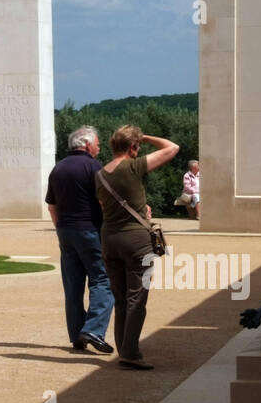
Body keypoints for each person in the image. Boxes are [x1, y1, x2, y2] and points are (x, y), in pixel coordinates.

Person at [94, 125, 179, 369]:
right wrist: (147, 137)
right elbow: (172, 147)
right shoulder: (134, 166)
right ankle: (131, 353)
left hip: (109, 238)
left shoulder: (100, 174)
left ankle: (124, 350)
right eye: (137, 145)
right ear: (133, 147)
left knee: (120, 299)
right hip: (135, 240)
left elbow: (104, 206)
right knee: (136, 299)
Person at [45, 126, 114, 354]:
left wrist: (60, 228)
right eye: (97, 143)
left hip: (65, 231)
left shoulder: (58, 168)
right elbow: (104, 202)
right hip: (90, 230)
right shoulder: (93, 166)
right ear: (86, 145)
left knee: (73, 285)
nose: (99, 147)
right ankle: (94, 328)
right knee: (102, 280)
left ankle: (77, 335)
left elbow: (52, 205)